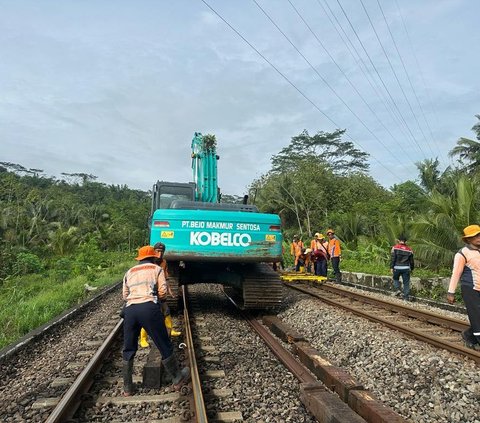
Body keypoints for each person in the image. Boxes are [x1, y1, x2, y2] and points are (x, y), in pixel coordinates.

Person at [122, 245, 190, 396]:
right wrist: (161, 302)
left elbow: (125, 295)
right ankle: (178, 379)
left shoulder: (129, 272)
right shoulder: (156, 269)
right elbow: (162, 291)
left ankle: (127, 388)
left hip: (130, 310)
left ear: (139, 259)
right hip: (149, 309)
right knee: (162, 343)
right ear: (153, 257)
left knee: (128, 348)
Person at [447, 225, 480, 350]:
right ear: (468, 239)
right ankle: (476, 339)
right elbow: (456, 273)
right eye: (475, 236)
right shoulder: (462, 254)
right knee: (476, 316)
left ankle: (468, 334)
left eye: (479, 235)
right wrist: (451, 292)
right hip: (470, 288)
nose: (478, 238)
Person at [390, 235, 414, 300]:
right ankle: (406, 298)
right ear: (406, 241)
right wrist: (412, 268)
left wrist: (391, 267)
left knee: (395, 278)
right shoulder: (409, 250)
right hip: (406, 268)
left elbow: (393, 259)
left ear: (398, 240)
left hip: (396, 267)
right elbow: (411, 261)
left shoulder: (395, 248)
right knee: (406, 283)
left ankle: (397, 289)